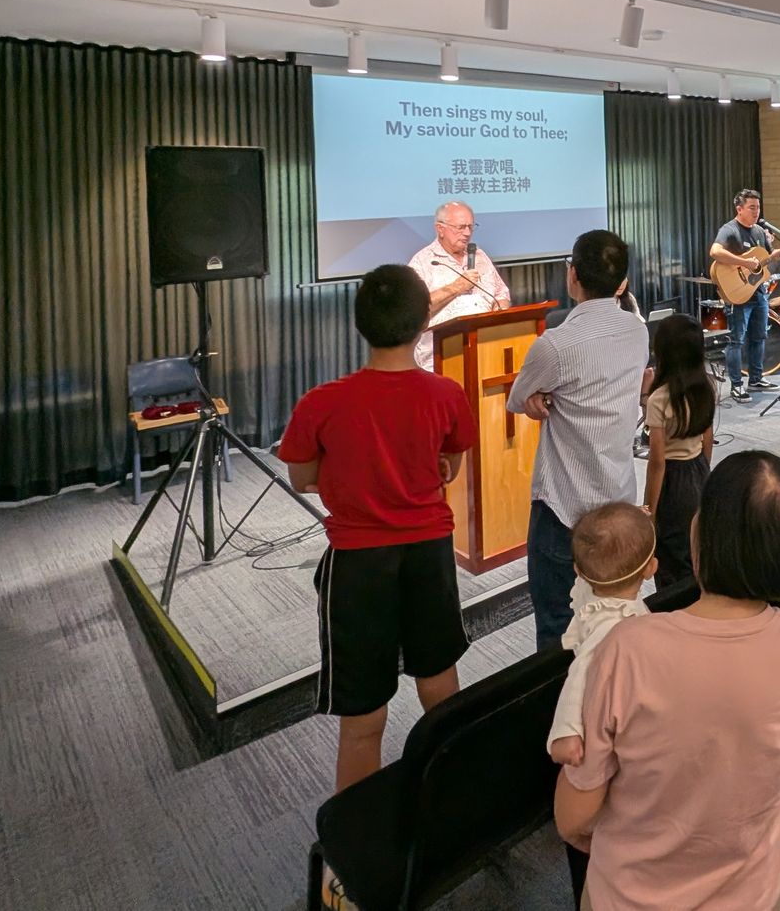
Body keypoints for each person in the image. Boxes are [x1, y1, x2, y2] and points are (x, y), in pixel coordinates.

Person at [555, 452, 780, 911]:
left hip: (633, 898)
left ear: (699, 531)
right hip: (757, 894)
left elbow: (573, 818)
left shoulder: (628, 649)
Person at [276, 265, 477, 791]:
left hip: (358, 566)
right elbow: (450, 464)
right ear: (421, 324)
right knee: (442, 692)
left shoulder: (320, 402)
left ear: (359, 323)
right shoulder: (445, 394)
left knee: (363, 721)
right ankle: (456, 807)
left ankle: (357, 838)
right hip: (430, 553)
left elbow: (302, 478)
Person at [508, 229, 652, 650]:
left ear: (572, 275)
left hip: (563, 508)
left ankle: (563, 709)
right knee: (614, 619)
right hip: (620, 498)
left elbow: (517, 399)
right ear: (622, 283)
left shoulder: (553, 346)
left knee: (557, 627)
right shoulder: (638, 332)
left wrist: (540, 394)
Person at [547, 501, 657, 905]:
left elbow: (578, 678)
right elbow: (580, 676)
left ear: (578, 572)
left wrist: (565, 733)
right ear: (651, 569)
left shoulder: (592, 600)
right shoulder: (621, 626)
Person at [641, 314, 714, 590]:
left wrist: (651, 511)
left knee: (672, 556)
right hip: (698, 471)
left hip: (672, 479)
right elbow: (708, 438)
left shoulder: (659, 398)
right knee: (697, 548)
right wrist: (703, 474)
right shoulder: (706, 386)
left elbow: (657, 461)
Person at [407, 200, 512, 369]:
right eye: (461, 227)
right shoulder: (422, 262)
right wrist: (457, 287)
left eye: (471, 227)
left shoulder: (479, 255)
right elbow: (414, 310)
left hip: (487, 350)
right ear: (440, 229)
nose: (467, 233)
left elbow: (501, 294)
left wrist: (498, 316)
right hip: (441, 358)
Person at [710, 188, 775, 402]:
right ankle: (736, 385)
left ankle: (755, 379)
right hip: (738, 294)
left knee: (759, 336)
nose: (756, 212)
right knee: (736, 340)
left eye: (758, 207)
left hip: (758, 291)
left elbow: (767, 259)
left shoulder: (759, 231)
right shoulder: (729, 230)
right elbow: (715, 252)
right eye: (752, 207)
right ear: (739, 209)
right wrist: (744, 262)